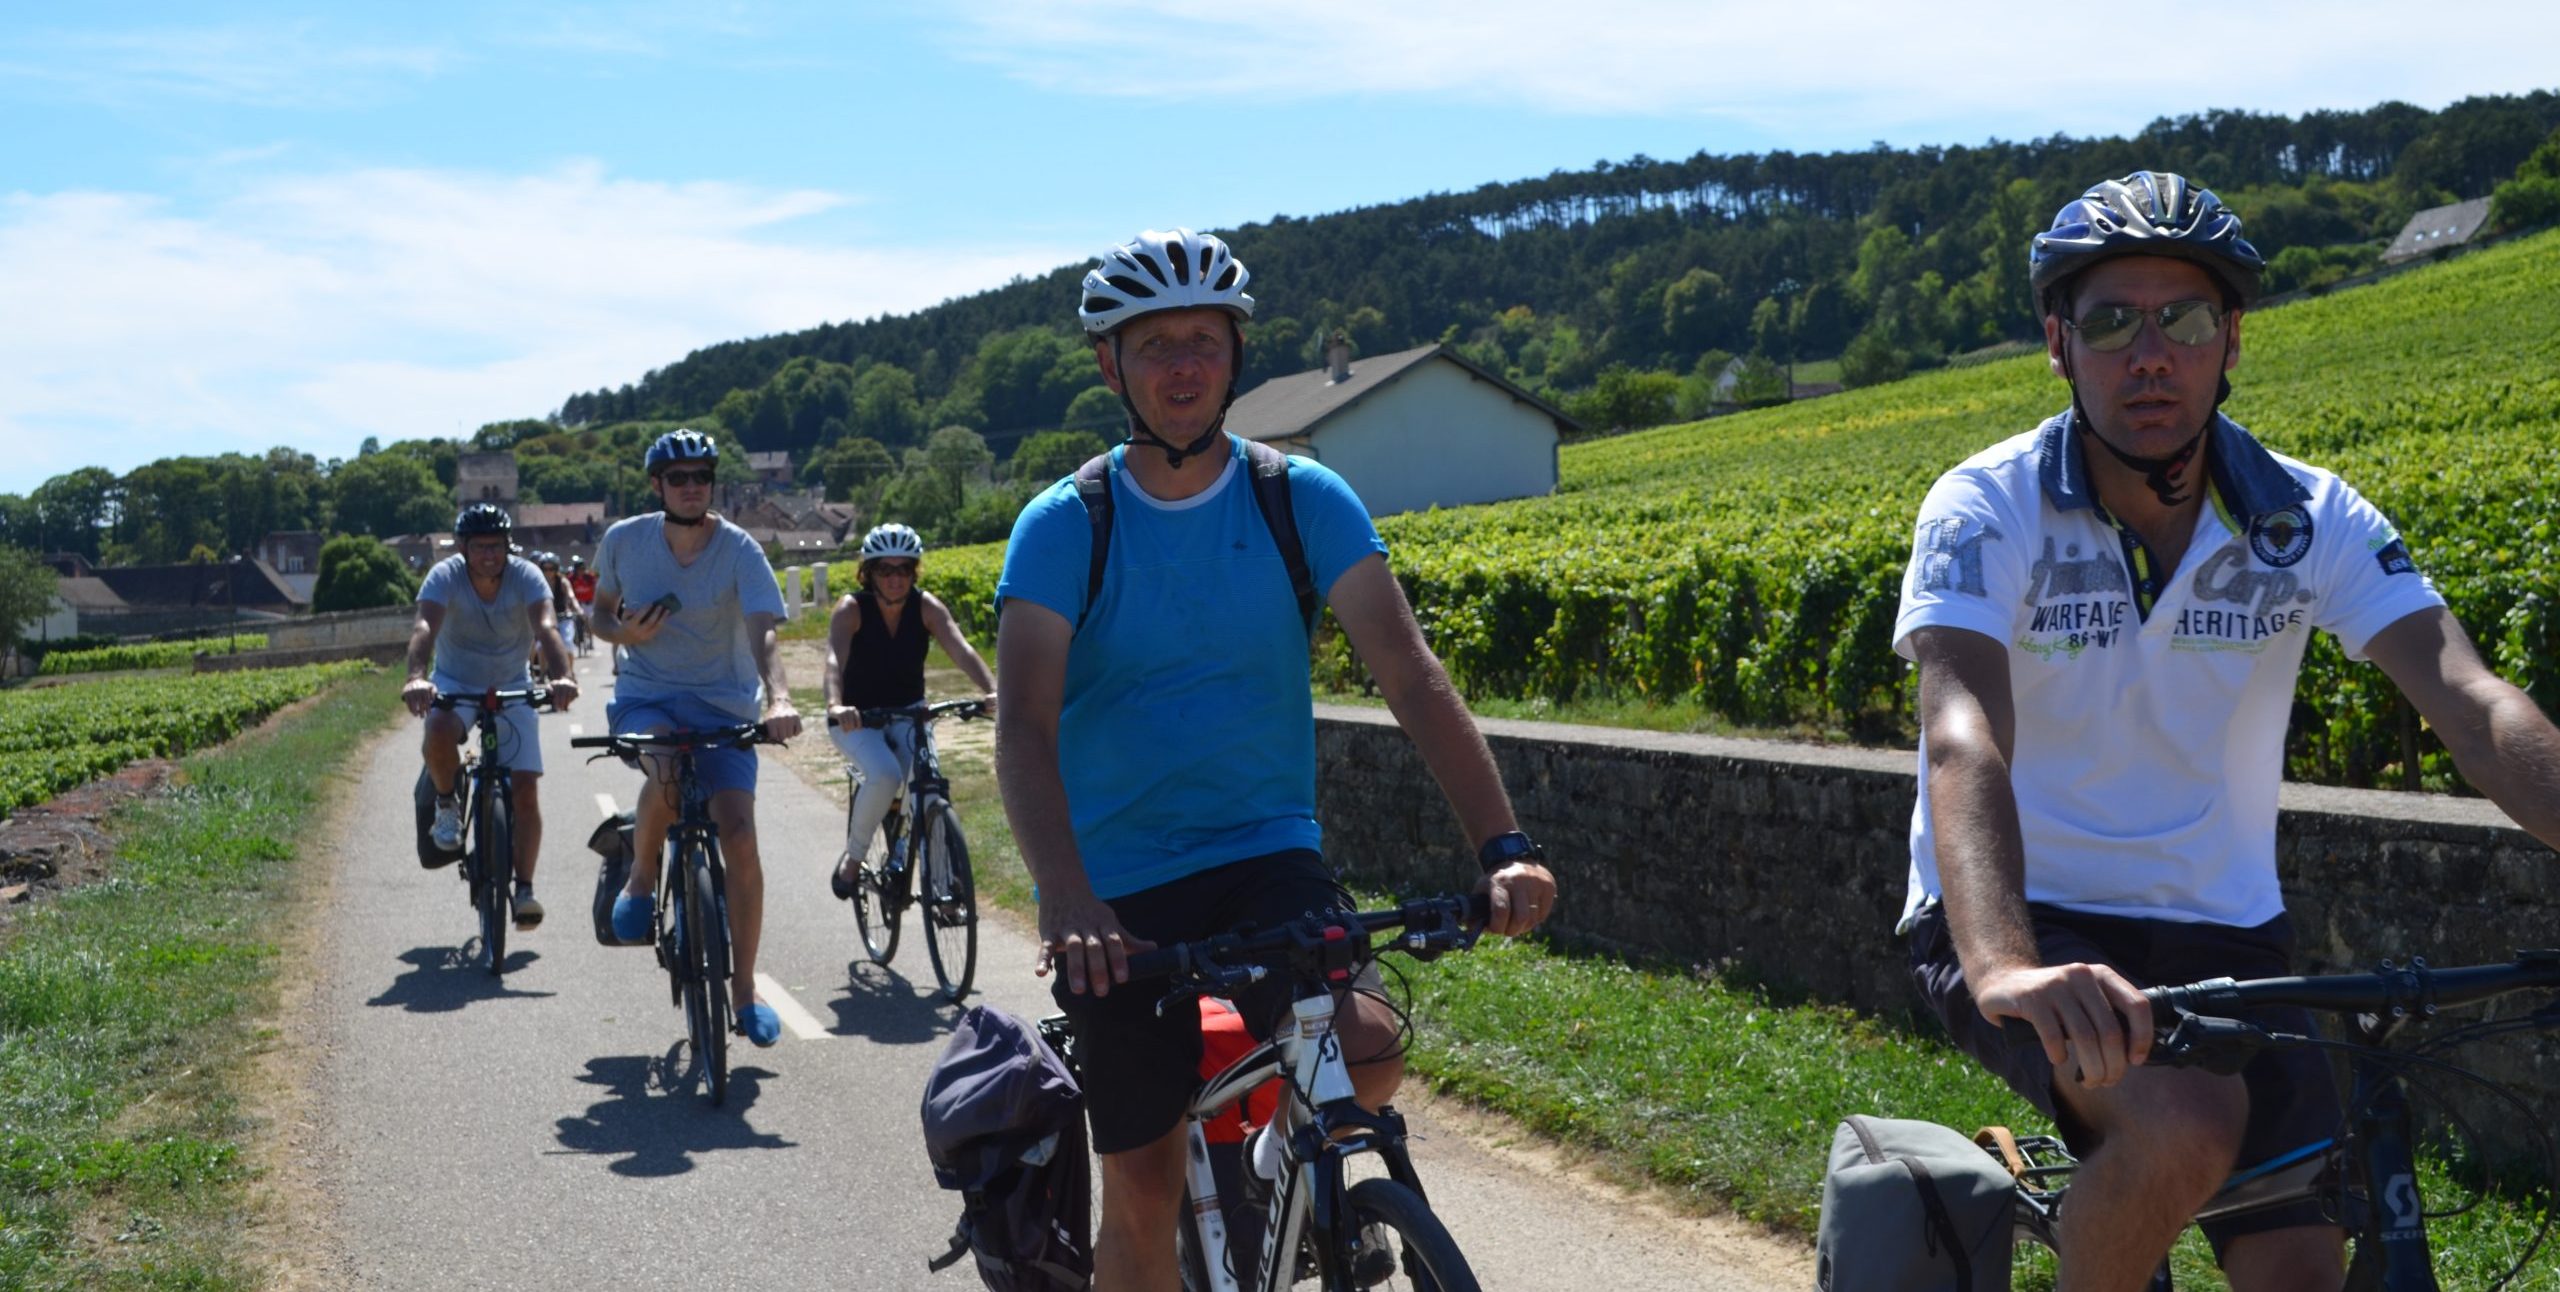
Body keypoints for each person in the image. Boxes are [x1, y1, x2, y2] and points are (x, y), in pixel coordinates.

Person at [1895, 171, 2560, 1292]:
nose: (2147, 354)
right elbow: (1962, 729)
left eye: (2184, 319)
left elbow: (2474, 702)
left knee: (2299, 1263)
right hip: (2031, 917)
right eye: (2110, 321)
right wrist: (2006, 964)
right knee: (2186, 1124)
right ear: (2059, 344)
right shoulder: (1985, 504)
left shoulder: (2310, 518)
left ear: (2231, 338)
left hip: (2226, 936)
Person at [993, 227, 1559, 1290]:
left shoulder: (1298, 496)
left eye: (1202, 339)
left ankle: (1277, 1161)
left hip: (1265, 852)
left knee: (1370, 1046)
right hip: (1118, 886)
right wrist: (1068, 896)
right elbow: (1022, 728)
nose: (1182, 364)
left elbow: (1411, 676)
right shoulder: (1068, 523)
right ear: (1109, 365)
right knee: (1146, 1188)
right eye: (1153, 343)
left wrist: (1505, 845)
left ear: (1235, 352)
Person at [588, 429, 803, 1047]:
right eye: (677, 478)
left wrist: (780, 698)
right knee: (662, 763)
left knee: (738, 833)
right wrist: (623, 636)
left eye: (701, 477)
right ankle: (639, 877)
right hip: (648, 696)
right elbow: (599, 613)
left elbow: (764, 632)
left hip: (723, 703)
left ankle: (743, 989)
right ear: (657, 485)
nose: (691, 487)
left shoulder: (739, 551)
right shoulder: (625, 540)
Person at [401, 504, 579, 929]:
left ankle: (525, 889)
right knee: (439, 730)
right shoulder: (445, 577)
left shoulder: (527, 576)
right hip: (457, 681)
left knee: (525, 789)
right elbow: (425, 626)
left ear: (507, 546)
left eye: (496, 546)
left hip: (512, 683)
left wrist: (563, 678)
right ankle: (447, 802)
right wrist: (416, 677)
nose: (489, 555)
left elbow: (547, 627)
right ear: (463, 548)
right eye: (479, 547)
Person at [822, 522, 997, 899]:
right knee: (884, 776)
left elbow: (962, 649)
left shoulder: (926, 606)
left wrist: (992, 690)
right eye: (886, 569)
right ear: (869, 573)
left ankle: (943, 887)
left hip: (910, 712)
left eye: (904, 569)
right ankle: (853, 859)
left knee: (930, 793)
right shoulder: (851, 609)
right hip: (857, 718)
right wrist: (837, 705)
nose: (896, 578)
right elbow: (834, 661)